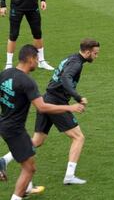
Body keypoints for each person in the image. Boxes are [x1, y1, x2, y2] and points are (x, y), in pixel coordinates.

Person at [0, 45, 84, 200]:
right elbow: (42, 106)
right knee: (29, 169)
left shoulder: (5, 74)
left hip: (6, 124)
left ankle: (26, 188)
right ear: (30, 59)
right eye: (37, 59)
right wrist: (71, 107)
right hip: (15, 131)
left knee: (31, 155)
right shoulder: (27, 82)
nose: (38, 62)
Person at [0, 38, 100, 185]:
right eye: (95, 53)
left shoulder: (71, 57)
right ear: (87, 52)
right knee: (78, 137)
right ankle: (69, 176)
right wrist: (77, 97)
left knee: (37, 141)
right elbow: (66, 78)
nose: (96, 56)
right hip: (56, 102)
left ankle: (4, 160)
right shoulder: (77, 64)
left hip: (47, 98)